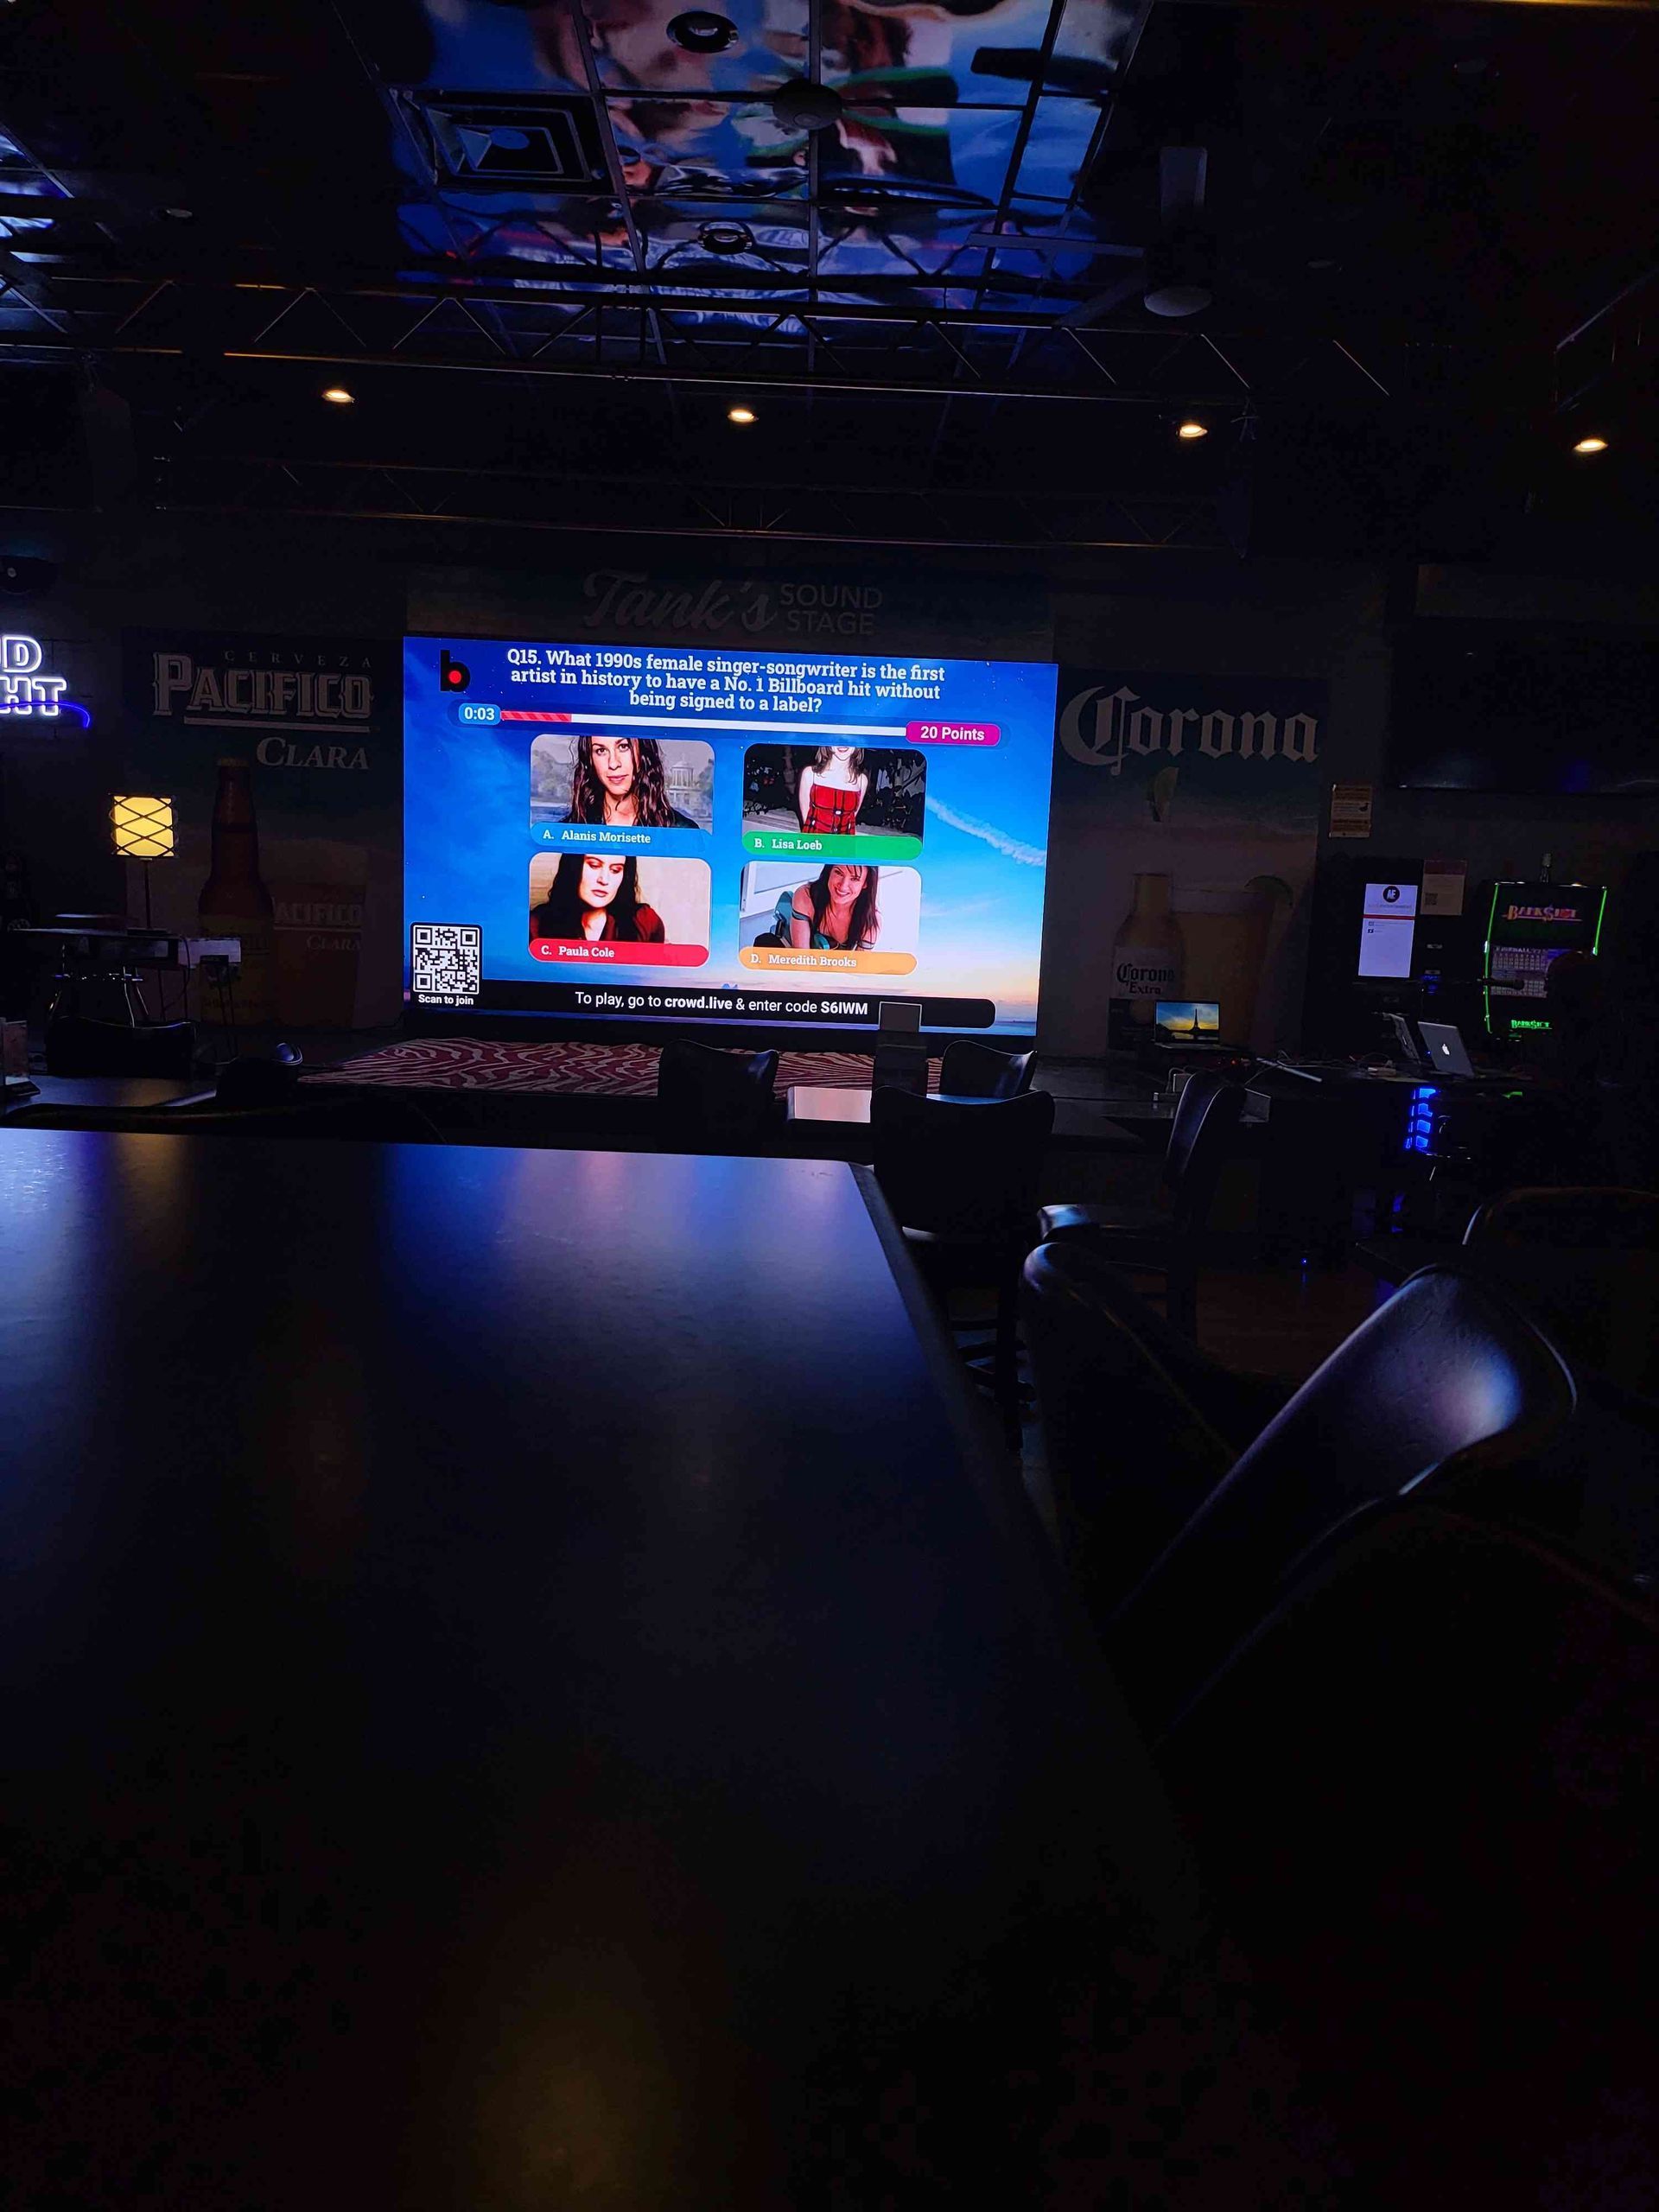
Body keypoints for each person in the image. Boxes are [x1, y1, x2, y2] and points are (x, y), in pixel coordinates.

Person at [564, 734, 698, 829]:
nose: (613, 763)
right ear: (590, 760)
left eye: (624, 746)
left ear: (643, 752)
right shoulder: (567, 830)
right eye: (601, 750)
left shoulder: (683, 831)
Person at [531, 854, 665, 944]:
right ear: (573, 867)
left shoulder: (645, 921)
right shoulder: (535, 925)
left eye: (616, 870)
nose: (604, 880)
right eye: (594, 865)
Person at [764, 863, 880, 950]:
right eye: (838, 873)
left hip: (836, 973)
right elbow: (801, 961)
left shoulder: (871, 920)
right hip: (802, 963)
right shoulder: (806, 896)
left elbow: (858, 971)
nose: (843, 886)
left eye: (854, 879)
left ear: (866, 883)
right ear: (829, 871)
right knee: (765, 943)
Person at [797, 746, 869, 836]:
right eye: (837, 738)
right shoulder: (810, 774)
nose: (843, 744)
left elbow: (852, 819)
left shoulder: (862, 781)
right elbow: (806, 819)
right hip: (815, 844)